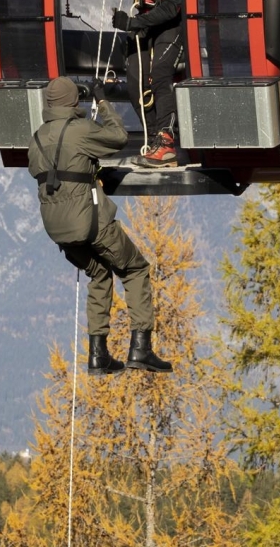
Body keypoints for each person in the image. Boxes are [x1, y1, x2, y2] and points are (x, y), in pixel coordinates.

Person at [28, 76, 173, 375]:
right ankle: (141, 348)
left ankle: (99, 356)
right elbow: (118, 137)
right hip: (90, 223)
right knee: (134, 268)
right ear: (72, 101)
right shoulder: (79, 130)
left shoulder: (38, 138)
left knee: (99, 274)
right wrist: (102, 99)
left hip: (58, 231)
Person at [105, 0, 186, 168]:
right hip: (145, 19)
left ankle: (166, 142)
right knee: (135, 82)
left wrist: (132, 23)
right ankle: (154, 141)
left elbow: (173, 7)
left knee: (160, 76)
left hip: (170, 24)